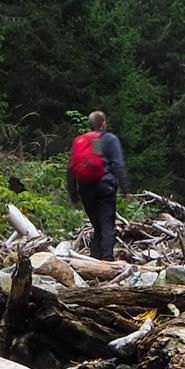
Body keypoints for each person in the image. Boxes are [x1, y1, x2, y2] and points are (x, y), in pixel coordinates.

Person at [67, 110, 128, 261]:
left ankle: (95, 257)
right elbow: (118, 165)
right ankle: (106, 261)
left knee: (97, 226)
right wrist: (125, 188)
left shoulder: (83, 142)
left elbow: (71, 169)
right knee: (107, 225)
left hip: (86, 187)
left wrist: (73, 195)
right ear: (104, 124)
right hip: (104, 187)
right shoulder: (106, 140)